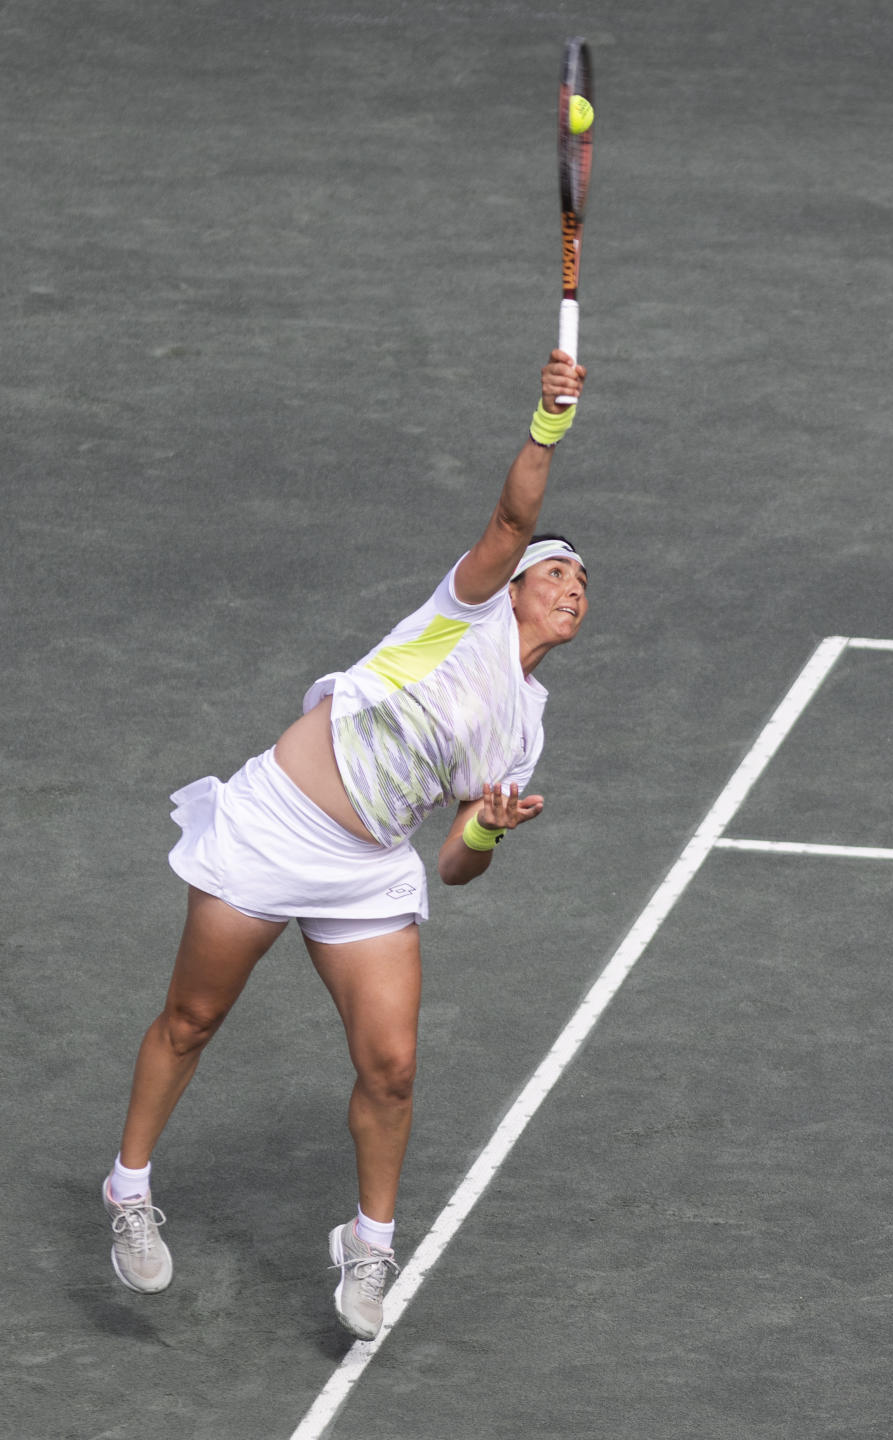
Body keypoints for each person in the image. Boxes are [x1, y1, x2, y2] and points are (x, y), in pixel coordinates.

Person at [102, 348, 589, 1341]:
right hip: (275, 819)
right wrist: (548, 424)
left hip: (367, 868)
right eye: (556, 571)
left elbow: (455, 864)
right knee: (192, 1020)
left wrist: (488, 827)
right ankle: (128, 1191)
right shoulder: (463, 615)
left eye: (583, 581)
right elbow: (511, 517)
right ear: (512, 585)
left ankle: (368, 1245)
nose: (573, 586)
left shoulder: (526, 729)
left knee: (393, 1067)